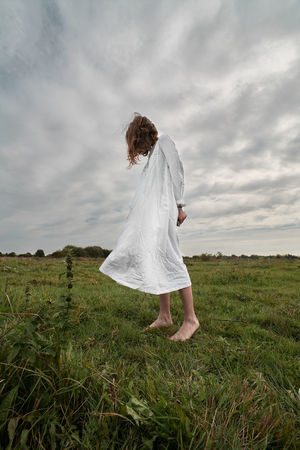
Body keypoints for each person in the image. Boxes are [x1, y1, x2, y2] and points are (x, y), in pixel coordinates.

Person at [99, 113, 199, 341]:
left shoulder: (164, 140)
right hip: (155, 213)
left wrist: (180, 205)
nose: (138, 150)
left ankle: (191, 320)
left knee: (172, 257)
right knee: (156, 256)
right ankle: (165, 316)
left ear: (141, 134)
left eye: (136, 143)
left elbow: (178, 172)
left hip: (165, 210)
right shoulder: (154, 152)